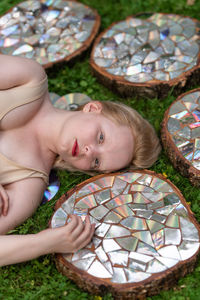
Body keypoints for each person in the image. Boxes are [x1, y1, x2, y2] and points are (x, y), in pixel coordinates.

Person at [0, 54, 161, 266]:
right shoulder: (30, 78)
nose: (88, 150)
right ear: (92, 109)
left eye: (96, 161)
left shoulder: (29, 184)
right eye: (100, 137)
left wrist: (44, 242)